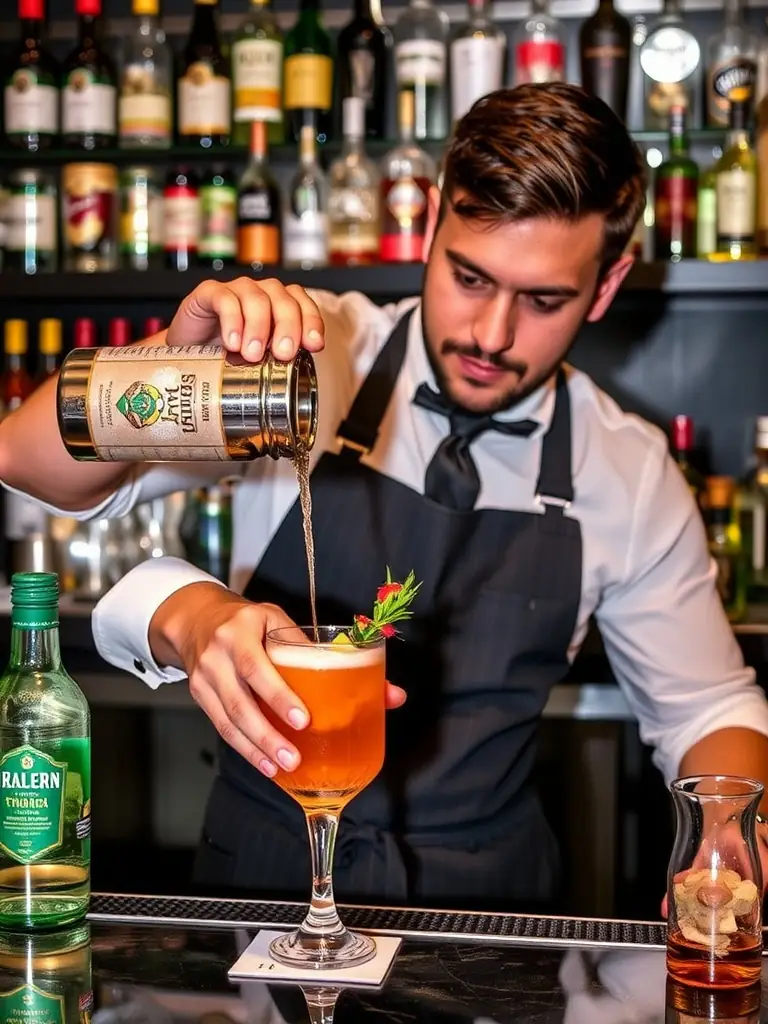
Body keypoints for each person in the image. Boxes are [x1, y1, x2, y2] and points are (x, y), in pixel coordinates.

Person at [2, 83, 768, 911]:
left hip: (488, 908)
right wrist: (166, 362)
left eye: (545, 300)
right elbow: (29, 461)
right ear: (433, 219)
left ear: (608, 284)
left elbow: (707, 705)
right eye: (469, 277)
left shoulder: (630, 469)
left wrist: (732, 820)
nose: (491, 334)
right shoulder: (311, 360)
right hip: (265, 884)